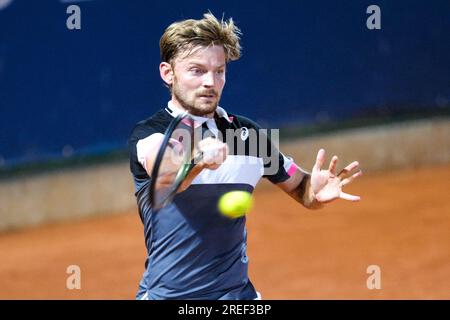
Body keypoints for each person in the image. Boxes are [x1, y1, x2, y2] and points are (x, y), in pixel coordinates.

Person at [128, 12, 362, 300]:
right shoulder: (151, 133)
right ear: (168, 73)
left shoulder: (247, 134)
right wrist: (196, 158)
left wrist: (313, 191)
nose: (210, 82)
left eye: (219, 71)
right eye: (197, 70)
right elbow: (163, 173)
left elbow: (300, 187)